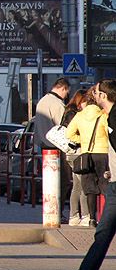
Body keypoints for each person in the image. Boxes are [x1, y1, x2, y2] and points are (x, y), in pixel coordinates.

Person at [59, 79, 116, 270]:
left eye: (97, 92)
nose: (94, 94)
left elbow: (68, 133)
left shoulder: (112, 117)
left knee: (102, 231)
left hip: (110, 176)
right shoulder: (105, 117)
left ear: (104, 96)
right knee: (102, 233)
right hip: (113, 181)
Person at [67, 84, 109, 227]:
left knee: (89, 188)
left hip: (86, 154)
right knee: (105, 186)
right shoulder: (102, 115)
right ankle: (105, 217)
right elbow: (108, 132)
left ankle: (91, 218)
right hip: (102, 153)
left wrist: (82, 141)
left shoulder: (79, 116)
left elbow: (69, 134)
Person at [36, 78, 71, 206]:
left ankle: (51, 209)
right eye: (66, 92)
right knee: (63, 181)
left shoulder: (42, 101)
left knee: (50, 181)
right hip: (57, 146)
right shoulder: (57, 104)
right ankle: (58, 210)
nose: (66, 96)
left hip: (44, 145)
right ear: (63, 88)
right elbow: (64, 126)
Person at [63, 89, 89, 226]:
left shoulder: (68, 111)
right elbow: (71, 133)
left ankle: (74, 216)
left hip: (71, 153)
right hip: (77, 152)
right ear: (81, 101)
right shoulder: (76, 114)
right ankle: (84, 215)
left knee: (77, 185)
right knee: (83, 184)